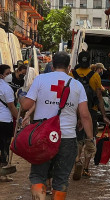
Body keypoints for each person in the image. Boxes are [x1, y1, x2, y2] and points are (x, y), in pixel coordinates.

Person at [18, 51, 96, 200]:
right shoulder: (77, 85)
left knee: (38, 176)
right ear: (69, 67)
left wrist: (21, 95)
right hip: (67, 138)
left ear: (52, 65)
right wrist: (90, 139)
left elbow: (27, 105)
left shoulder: (41, 79)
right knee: (61, 180)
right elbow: (85, 115)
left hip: (43, 138)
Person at [69, 51, 110, 180]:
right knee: (89, 138)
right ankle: (86, 168)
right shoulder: (95, 76)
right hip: (90, 111)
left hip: (74, 111)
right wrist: (103, 115)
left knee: (76, 139)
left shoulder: (72, 75)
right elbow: (99, 96)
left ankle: (77, 161)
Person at [0, 65, 18, 181]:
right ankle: (3, 173)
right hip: (5, 120)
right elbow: (11, 106)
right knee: (4, 147)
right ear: (1, 75)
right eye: (7, 73)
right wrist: (19, 119)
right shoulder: (6, 88)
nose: (9, 75)